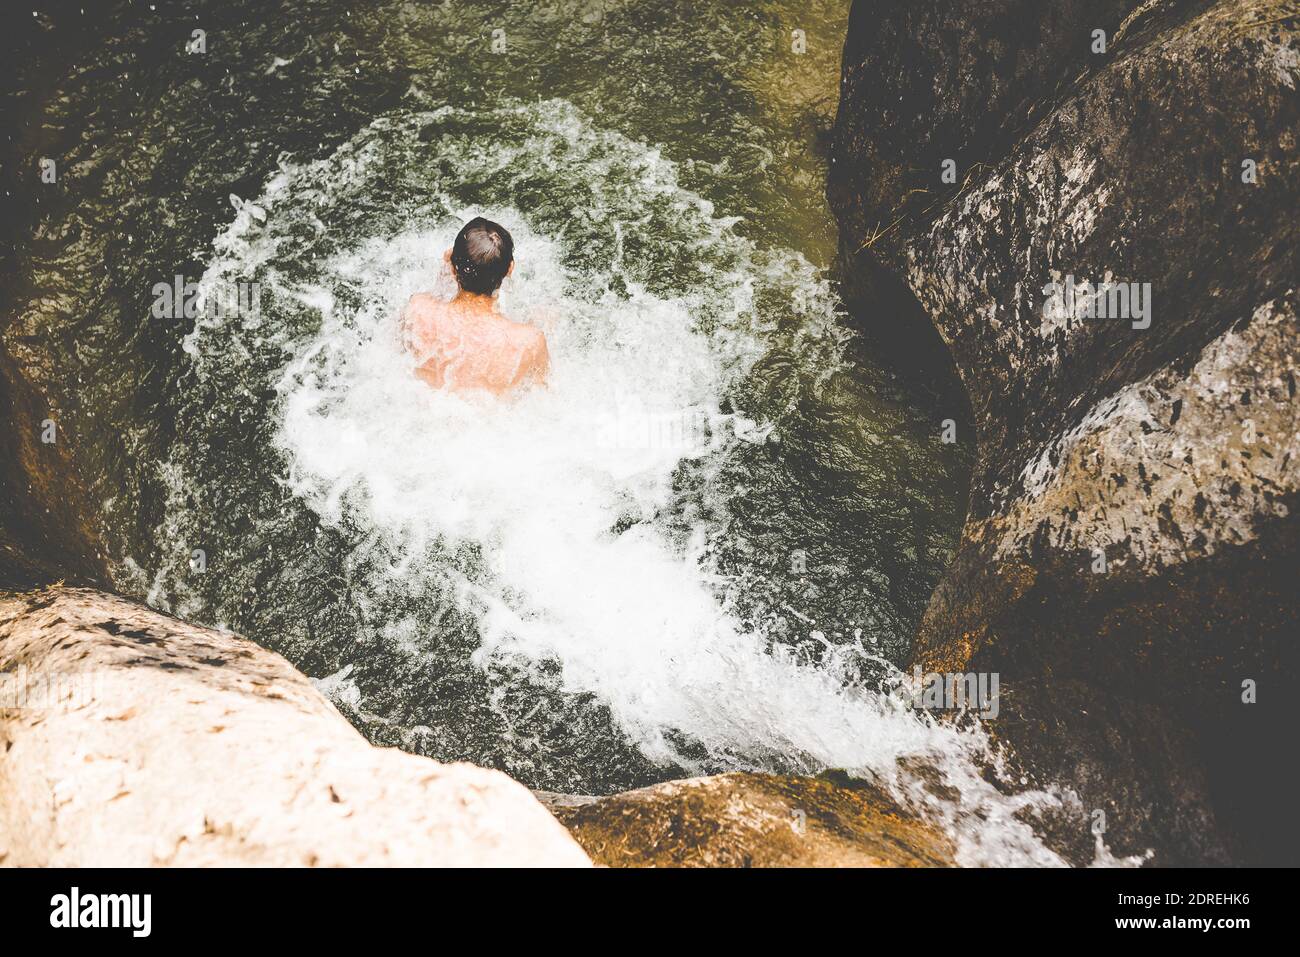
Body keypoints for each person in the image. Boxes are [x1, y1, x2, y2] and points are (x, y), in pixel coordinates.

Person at [403, 217, 549, 395]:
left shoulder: (417, 310)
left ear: (452, 264)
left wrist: (448, 269)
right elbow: (541, 398)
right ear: (510, 269)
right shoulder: (528, 341)